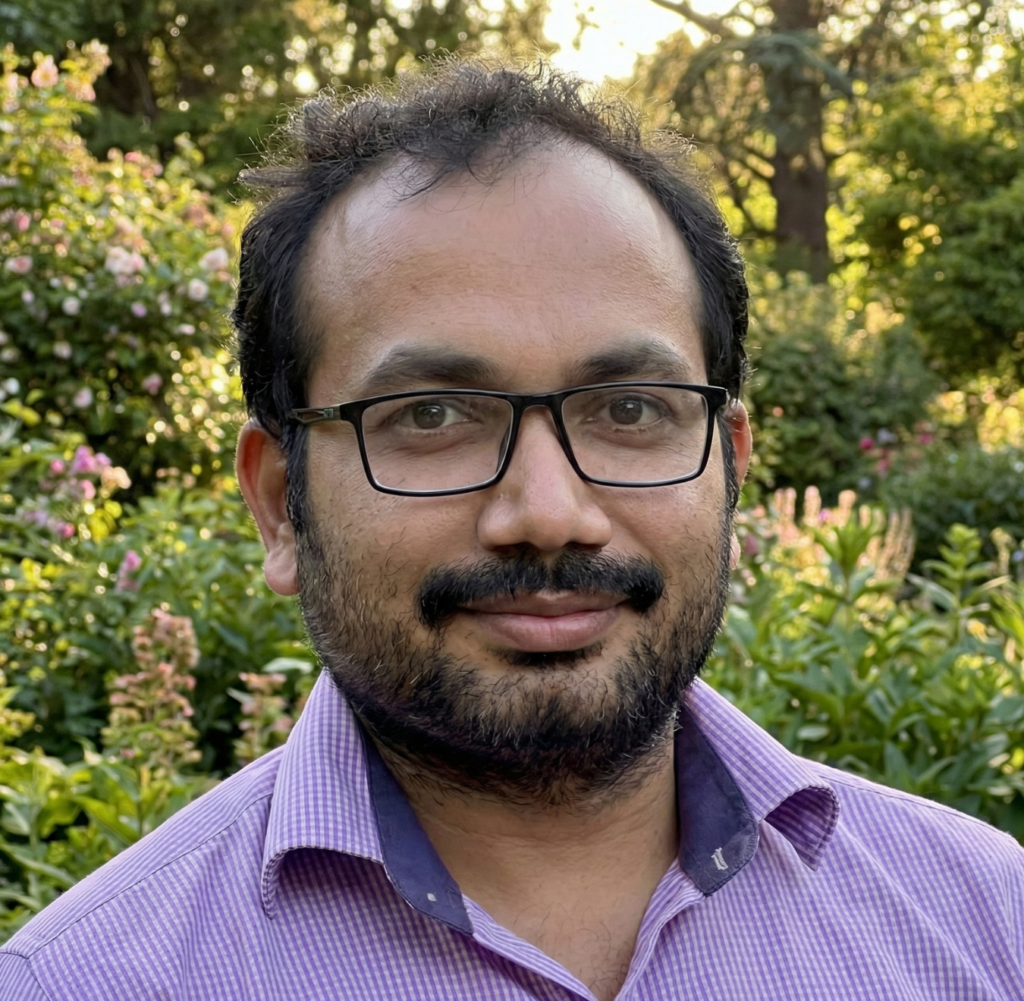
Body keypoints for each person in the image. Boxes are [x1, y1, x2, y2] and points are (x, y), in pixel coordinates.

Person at [1, 59, 1022, 1001]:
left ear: (731, 466)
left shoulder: (988, 928)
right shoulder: (81, 981)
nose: (546, 514)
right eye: (431, 417)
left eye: (628, 408)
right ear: (279, 501)